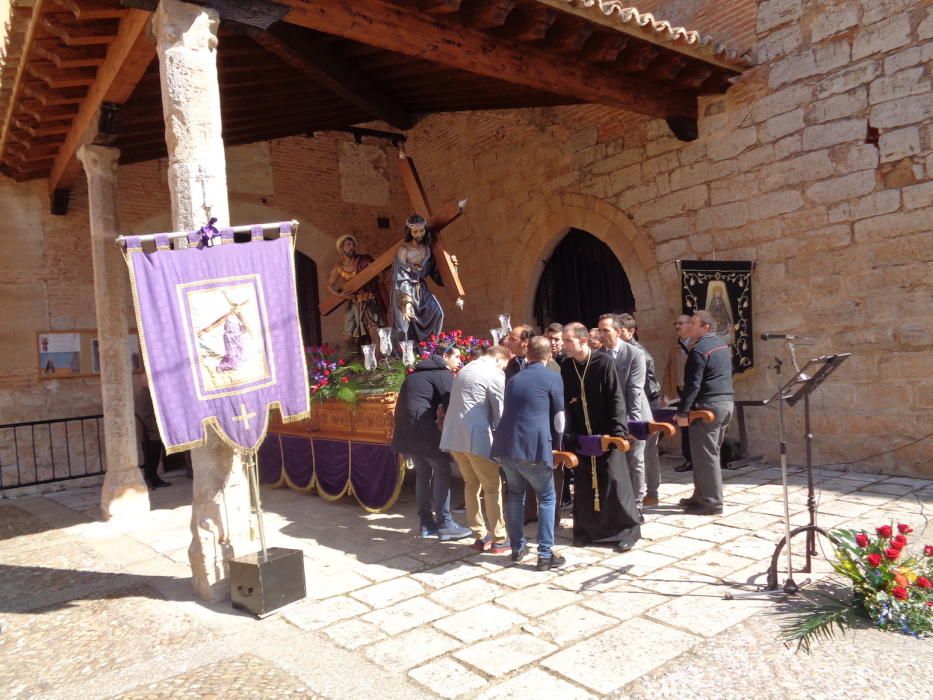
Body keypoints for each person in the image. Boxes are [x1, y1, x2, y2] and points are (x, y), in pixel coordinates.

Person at [559, 323, 641, 552]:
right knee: (585, 485)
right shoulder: (566, 366)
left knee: (614, 481)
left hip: (606, 434)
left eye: (568, 341)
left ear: (582, 341)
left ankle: (627, 530)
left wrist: (618, 432)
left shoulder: (604, 362)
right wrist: (569, 434)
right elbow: (566, 402)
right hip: (583, 438)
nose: (564, 345)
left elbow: (616, 397)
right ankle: (587, 530)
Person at [491, 336, 566, 570]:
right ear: (548, 355)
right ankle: (544, 554)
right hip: (533, 447)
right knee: (546, 498)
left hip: (507, 446)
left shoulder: (513, 379)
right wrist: (558, 447)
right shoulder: (553, 377)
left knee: (515, 496)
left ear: (528, 354)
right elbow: (559, 417)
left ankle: (517, 548)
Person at [393, 344, 471, 540]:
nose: (459, 362)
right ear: (445, 356)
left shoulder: (414, 375)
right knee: (442, 469)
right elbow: (452, 404)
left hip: (406, 432)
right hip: (424, 431)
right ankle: (445, 524)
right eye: (456, 357)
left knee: (423, 472)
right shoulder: (441, 374)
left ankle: (426, 524)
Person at [440, 345, 510, 553]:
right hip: (477, 439)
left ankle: (480, 535)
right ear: (499, 359)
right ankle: (499, 537)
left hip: (454, 436)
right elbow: (500, 411)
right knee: (491, 486)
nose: (504, 369)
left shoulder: (465, 369)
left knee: (471, 484)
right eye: (505, 365)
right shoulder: (494, 372)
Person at [676, 310, 734, 515]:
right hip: (725, 404)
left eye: (694, 324)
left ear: (705, 327)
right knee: (708, 454)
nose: (690, 327)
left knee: (705, 456)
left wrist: (682, 412)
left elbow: (693, 384)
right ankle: (700, 496)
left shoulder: (700, 350)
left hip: (707, 408)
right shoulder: (721, 345)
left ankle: (711, 502)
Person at [597, 314, 652, 509]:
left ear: (618, 332)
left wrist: (633, 425)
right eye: (599, 330)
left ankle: (637, 504)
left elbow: (634, 391)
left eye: (606, 330)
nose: (601, 334)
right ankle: (617, 502)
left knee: (635, 460)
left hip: (633, 414)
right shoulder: (598, 356)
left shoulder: (634, 354)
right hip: (611, 418)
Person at [618, 313, 662, 507]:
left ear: (631, 331)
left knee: (644, 454)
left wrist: (636, 419)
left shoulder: (637, 353)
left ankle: (649, 494)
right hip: (638, 404)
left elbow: (639, 388)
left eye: (620, 331)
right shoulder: (623, 351)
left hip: (644, 405)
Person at [391, 214, 445, 343]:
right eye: (415, 231)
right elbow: (400, 276)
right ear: (410, 232)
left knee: (437, 314)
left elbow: (435, 272)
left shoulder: (427, 249)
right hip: (403, 290)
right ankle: (405, 356)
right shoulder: (404, 250)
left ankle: (428, 349)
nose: (419, 234)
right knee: (404, 326)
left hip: (421, 289)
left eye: (422, 230)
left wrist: (453, 268)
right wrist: (407, 301)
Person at [326, 234, 386, 348]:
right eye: (348, 244)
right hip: (353, 304)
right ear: (341, 248)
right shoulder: (338, 267)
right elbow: (329, 285)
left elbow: (378, 274)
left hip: (369, 301)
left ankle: (379, 359)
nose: (352, 247)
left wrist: (380, 275)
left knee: (374, 331)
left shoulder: (365, 260)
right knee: (348, 336)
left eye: (353, 244)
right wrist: (340, 295)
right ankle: (357, 358)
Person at [665, 314, 695, 473]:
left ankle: (699, 459)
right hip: (680, 392)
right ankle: (689, 459)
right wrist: (668, 392)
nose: (677, 326)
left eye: (681, 323)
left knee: (697, 428)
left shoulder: (697, 345)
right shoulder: (675, 347)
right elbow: (669, 370)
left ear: (691, 325)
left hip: (695, 393)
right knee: (684, 428)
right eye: (675, 323)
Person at [135, 383, 170, 489]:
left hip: (151, 432)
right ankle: (152, 481)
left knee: (154, 457)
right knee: (151, 458)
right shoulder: (144, 395)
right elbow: (146, 416)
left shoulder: (146, 393)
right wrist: (157, 428)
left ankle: (154, 479)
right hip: (149, 433)